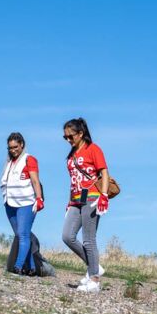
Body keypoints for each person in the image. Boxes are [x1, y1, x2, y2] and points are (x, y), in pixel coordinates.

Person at [61, 118, 111, 293]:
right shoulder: (72, 154)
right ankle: (95, 266)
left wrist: (104, 195)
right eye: (65, 137)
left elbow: (104, 172)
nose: (68, 140)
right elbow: (73, 180)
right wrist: (69, 202)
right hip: (76, 199)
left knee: (89, 239)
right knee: (67, 236)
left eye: (71, 136)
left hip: (92, 197)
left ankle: (94, 280)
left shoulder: (93, 149)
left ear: (81, 133)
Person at [0, 132, 44, 275]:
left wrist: (39, 198)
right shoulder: (9, 163)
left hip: (26, 203)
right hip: (10, 203)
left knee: (23, 235)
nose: (13, 150)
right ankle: (31, 268)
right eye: (10, 148)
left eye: (16, 147)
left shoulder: (29, 159)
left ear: (22, 145)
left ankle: (18, 267)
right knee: (19, 235)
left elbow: (35, 181)